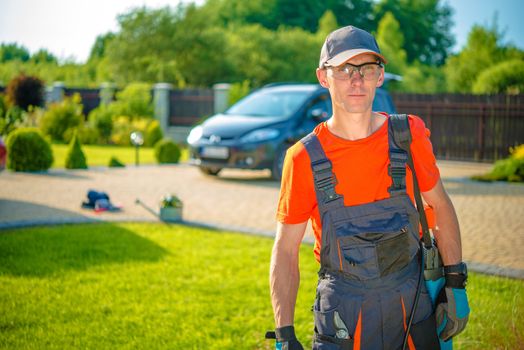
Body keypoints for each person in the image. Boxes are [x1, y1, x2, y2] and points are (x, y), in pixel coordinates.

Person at [269, 25, 470, 349]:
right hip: (344, 319)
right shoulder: (303, 158)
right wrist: (284, 332)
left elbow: (441, 205)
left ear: (380, 76)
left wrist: (456, 282)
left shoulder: (408, 135)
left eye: (367, 68)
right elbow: (285, 250)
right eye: (345, 69)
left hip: (413, 307)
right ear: (324, 77)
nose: (357, 79)